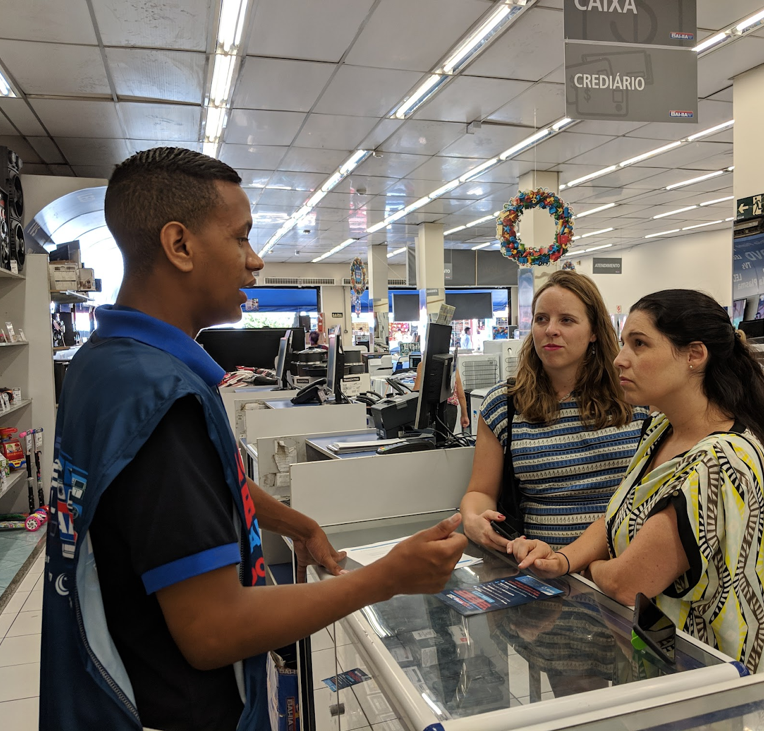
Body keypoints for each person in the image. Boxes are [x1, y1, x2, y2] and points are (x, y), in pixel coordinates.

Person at [40, 147, 468, 731]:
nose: (256, 261)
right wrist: (386, 578)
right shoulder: (160, 401)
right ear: (180, 245)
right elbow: (214, 630)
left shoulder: (104, 363)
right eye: (241, 238)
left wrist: (298, 524)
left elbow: (202, 481)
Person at [510, 289, 764, 674]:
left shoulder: (719, 460)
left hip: (710, 675)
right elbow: (616, 518)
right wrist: (563, 559)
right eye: (624, 342)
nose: (620, 359)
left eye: (639, 344)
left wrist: (591, 570)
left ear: (695, 355)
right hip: (654, 657)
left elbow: (627, 582)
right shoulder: (660, 430)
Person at [460, 270, 647, 551]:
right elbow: (479, 492)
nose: (551, 330)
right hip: (539, 565)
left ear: (594, 331)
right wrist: (474, 519)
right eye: (541, 319)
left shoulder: (634, 395)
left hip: (622, 564)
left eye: (567, 320)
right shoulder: (505, 403)